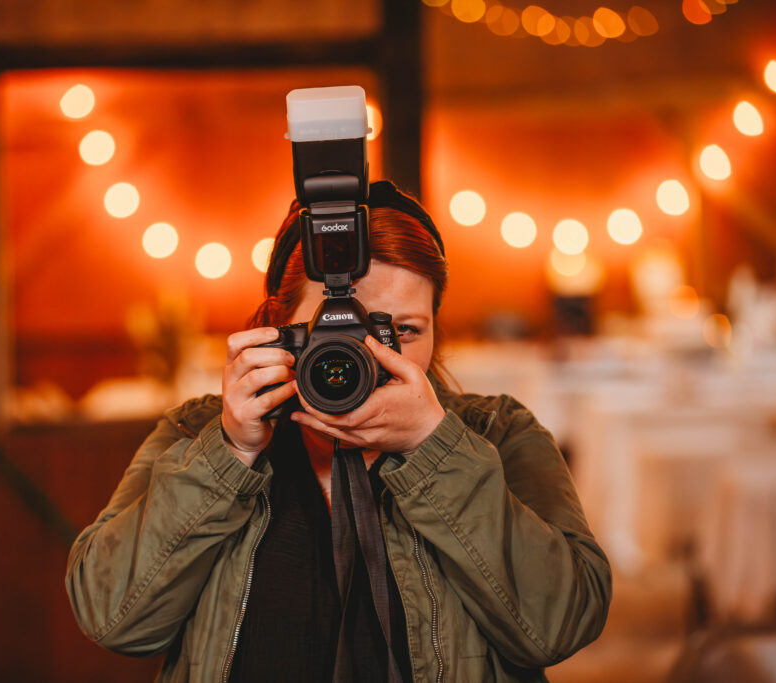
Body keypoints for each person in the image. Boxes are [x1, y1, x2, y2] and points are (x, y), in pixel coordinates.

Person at [66, 181, 612, 682]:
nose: (375, 354)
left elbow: (560, 626)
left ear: (436, 332)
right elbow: (114, 620)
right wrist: (229, 453)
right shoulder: (197, 435)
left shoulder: (497, 433)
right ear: (280, 330)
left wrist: (435, 447)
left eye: (405, 330)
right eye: (345, 328)